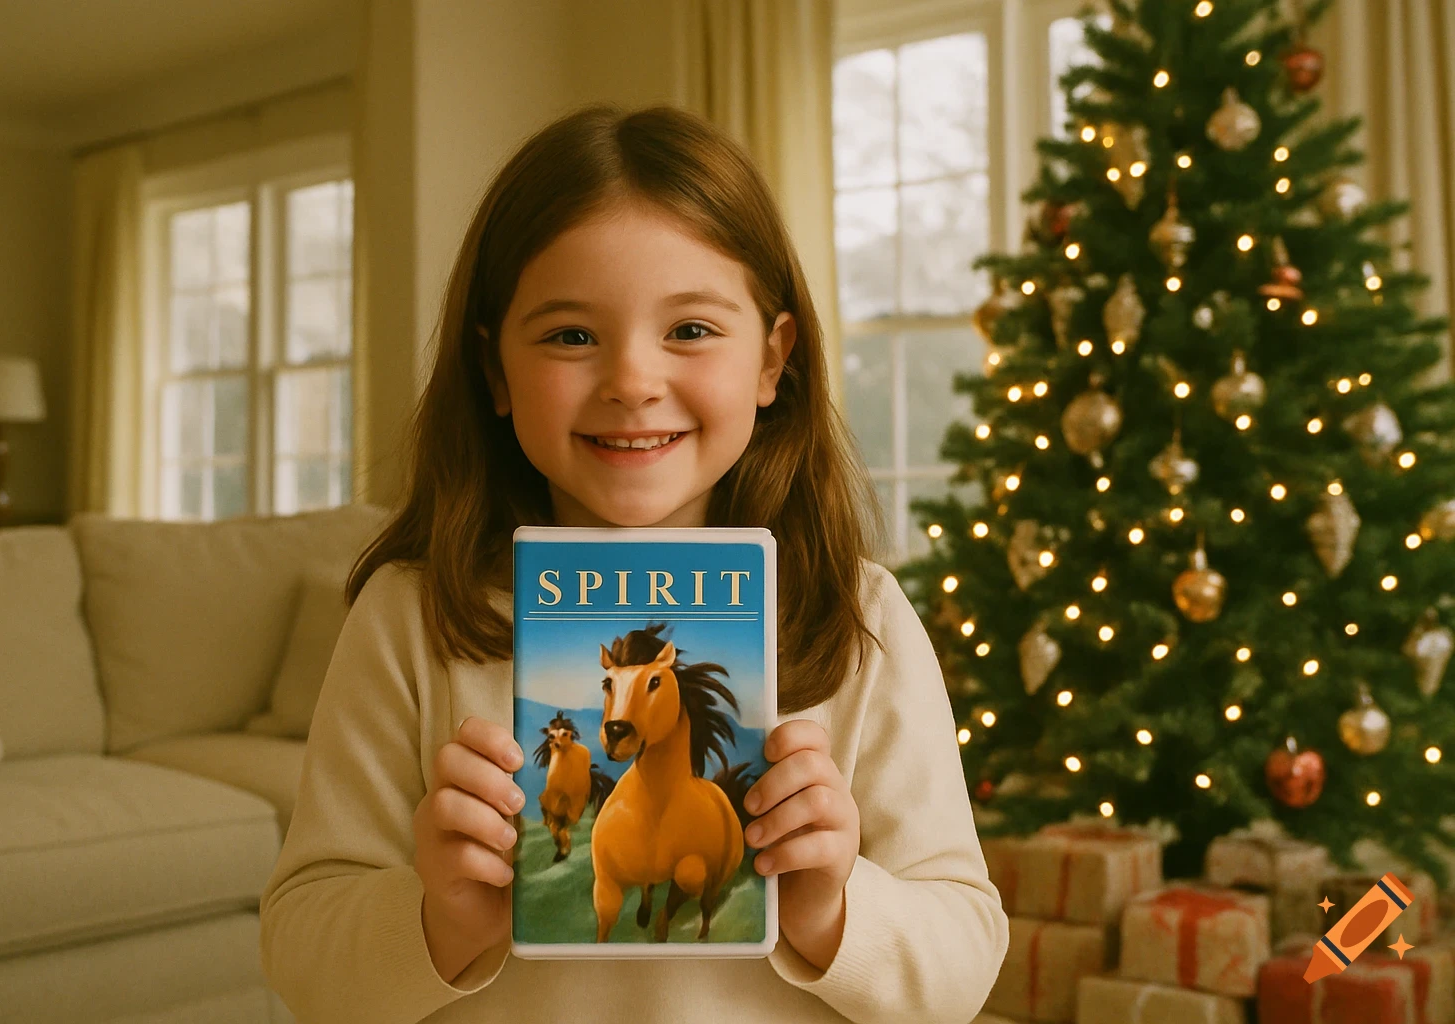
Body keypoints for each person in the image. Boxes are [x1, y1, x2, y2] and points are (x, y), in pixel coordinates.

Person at [259, 102, 1008, 1024]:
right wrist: (435, 918)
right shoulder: (413, 615)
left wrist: (833, 906)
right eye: (571, 336)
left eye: (690, 330)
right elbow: (301, 950)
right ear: (494, 370)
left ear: (774, 360)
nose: (631, 380)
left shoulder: (857, 616)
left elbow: (964, 959)